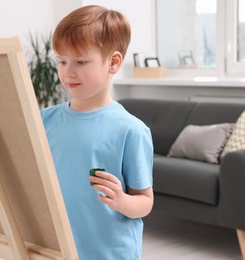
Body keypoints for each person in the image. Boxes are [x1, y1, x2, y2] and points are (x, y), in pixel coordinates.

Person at [40, 5, 154, 260]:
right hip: (56, 251)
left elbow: (145, 202)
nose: (68, 71)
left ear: (113, 62)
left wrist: (121, 200)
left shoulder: (131, 130)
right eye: (62, 60)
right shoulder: (43, 120)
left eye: (80, 61)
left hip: (109, 253)